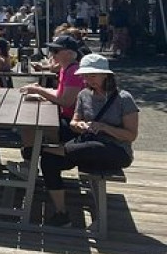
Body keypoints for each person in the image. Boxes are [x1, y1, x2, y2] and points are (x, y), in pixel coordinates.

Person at [39, 54, 138, 227]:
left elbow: (131, 135)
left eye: (92, 76)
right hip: (86, 144)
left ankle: (39, 149)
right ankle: (61, 212)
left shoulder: (124, 98)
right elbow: (74, 121)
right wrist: (79, 126)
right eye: (85, 76)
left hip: (116, 150)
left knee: (92, 147)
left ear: (106, 75)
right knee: (49, 160)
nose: (87, 80)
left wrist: (105, 127)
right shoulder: (84, 95)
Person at [7, 35, 85, 179]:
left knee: (30, 126)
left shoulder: (74, 72)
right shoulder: (65, 69)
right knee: (28, 120)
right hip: (64, 116)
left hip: (73, 124)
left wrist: (39, 90)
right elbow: (61, 94)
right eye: (51, 50)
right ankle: (29, 163)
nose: (52, 54)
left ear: (70, 53)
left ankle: (29, 167)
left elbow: (66, 101)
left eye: (56, 51)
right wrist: (41, 89)